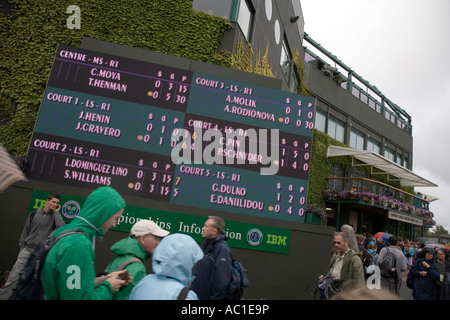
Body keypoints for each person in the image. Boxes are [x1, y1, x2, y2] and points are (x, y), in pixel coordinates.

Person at [42, 187, 130, 300]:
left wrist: (104, 280)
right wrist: (108, 287)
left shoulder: (65, 232)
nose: (114, 224)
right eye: (116, 218)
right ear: (103, 214)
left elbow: (70, 286)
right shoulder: (78, 245)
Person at [0, 193, 65, 300]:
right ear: (47, 201)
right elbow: (25, 231)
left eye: (57, 203)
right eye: (53, 202)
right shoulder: (34, 213)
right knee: (12, 281)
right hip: (27, 250)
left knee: (34, 284)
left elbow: (61, 228)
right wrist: (22, 248)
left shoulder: (55, 217)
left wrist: (56, 214)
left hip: (40, 255)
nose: (55, 204)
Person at [103, 219, 169, 300]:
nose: (158, 243)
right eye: (156, 238)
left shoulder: (119, 257)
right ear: (143, 238)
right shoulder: (137, 267)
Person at [129, 233, 203, 300]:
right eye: (193, 262)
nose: (194, 266)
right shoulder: (185, 295)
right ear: (187, 261)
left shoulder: (144, 282)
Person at [190, 216, 234, 300]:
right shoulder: (203, 246)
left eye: (206, 226)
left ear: (214, 231)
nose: (203, 228)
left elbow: (221, 282)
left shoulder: (222, 249)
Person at [318, 232, 365, 297]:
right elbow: (332, 272)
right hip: (332, 293)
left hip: (346, 295)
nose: (336, 245)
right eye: (334, 242)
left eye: (338, 243)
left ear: (346, 243)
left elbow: (359, 282)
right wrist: (325, 278)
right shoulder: (335, 255)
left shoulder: (354, 259)